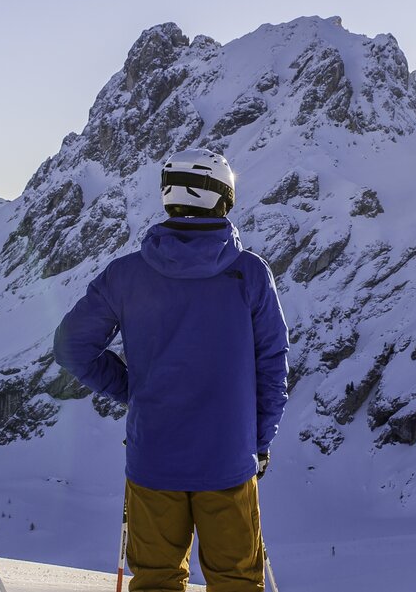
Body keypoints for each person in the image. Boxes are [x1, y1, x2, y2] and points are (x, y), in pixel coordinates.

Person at [54, 148, 290, 592]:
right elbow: (272, 366)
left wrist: (133, 390)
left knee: (157, 580)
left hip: (153, 462)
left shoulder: (127, 275)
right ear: (223, 199)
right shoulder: (249, 274)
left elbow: (71, 347)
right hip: (228, 462)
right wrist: (258, 442)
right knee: (237, 581)